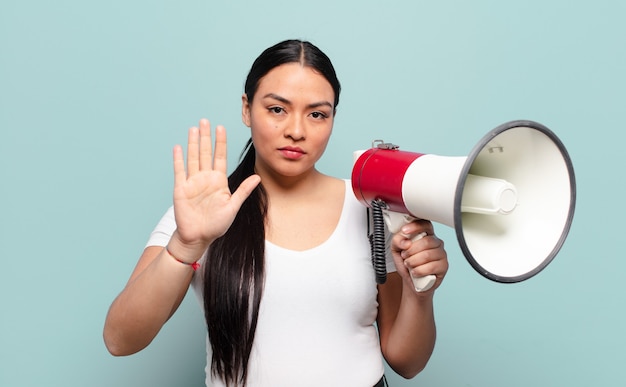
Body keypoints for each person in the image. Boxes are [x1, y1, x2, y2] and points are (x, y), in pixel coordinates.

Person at [103, 39, 449, 387]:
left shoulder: (367, 207)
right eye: (277, 109)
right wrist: (185, 244)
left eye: (317, 114)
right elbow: (120, 340)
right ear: (246, 108)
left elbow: (407, 362)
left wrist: (419, 294)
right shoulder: (205, 211)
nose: (296, 131)